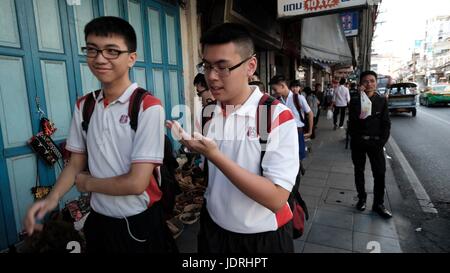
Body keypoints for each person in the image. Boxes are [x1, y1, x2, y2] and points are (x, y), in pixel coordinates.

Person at [23, 16, 176, 253]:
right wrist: (51, 199)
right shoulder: (85, 106)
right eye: (92, 50)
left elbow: (137, 183)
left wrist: (89, 183)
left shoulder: (147, 106)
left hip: (138, 222)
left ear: (131, 58)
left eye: (112, 51)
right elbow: (75, 164)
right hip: (100, 221)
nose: (100, 58)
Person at [169, 23, 299, 253]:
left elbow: (276, 198)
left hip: (261, 237)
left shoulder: (272, 115)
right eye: (206, 66)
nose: (211, 76)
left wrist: (214, 155)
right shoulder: (209, 113)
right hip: (213, 230)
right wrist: (195, 149)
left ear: (250, 66)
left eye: (222, 67)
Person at [348, 70, 392, 218]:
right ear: (361, 84)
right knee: (359, 171)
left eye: (372, 81)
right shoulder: (355, 100)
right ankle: (361, 198)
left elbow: (386, 124)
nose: (369, 84)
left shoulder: (382, 101)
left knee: (379, 173)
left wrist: (381, 142)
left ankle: (378, 204)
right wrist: (360, 98)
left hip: (376, 143)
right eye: (366, 81)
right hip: (359, 142)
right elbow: (353, 122)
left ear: (376, 82)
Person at [270, 75, 313, 167]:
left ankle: (297, 173)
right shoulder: (277, 100)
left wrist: (310, 131)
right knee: (287, 157)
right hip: (283, 133)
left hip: (297, 132)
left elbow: (310, 113)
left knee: (298, 156)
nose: (274, 92)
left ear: (282, 86)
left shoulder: (298, 98)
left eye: (275, 89)